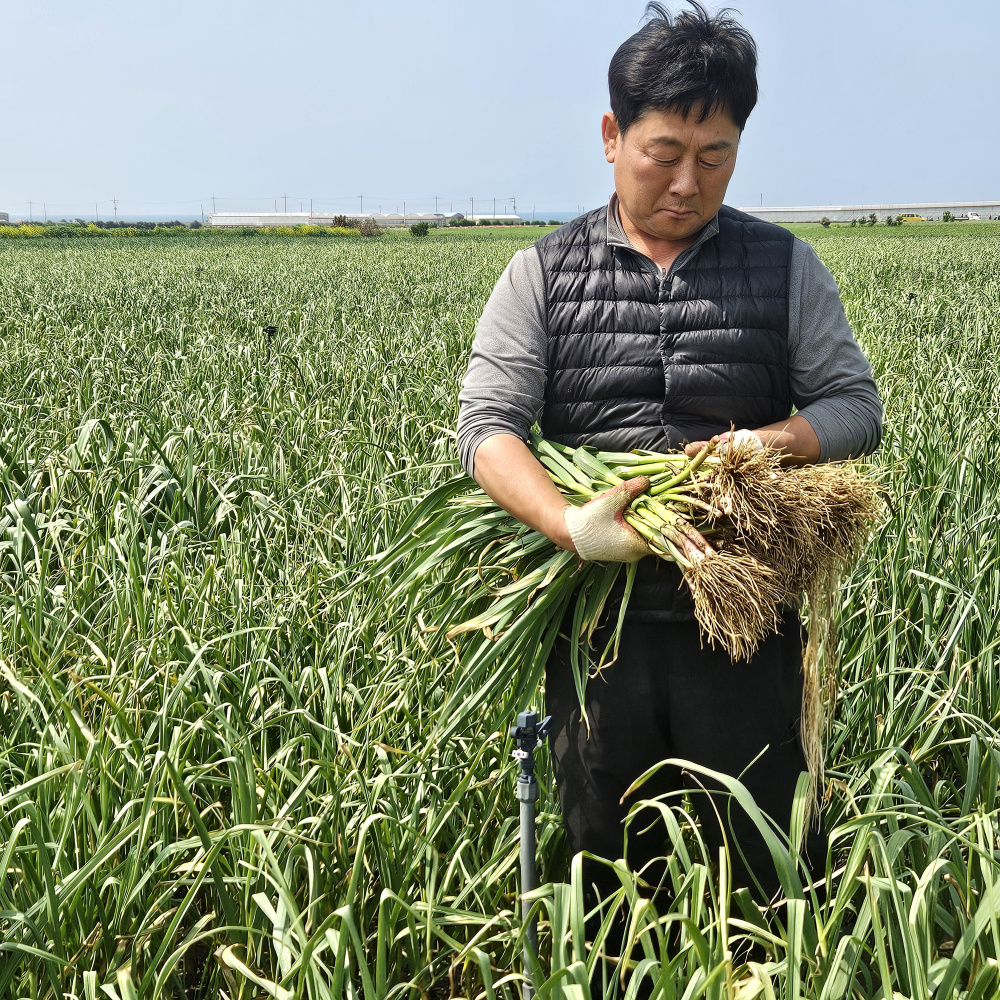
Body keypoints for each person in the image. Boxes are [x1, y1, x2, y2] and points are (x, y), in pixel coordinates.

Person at [456, 0, 882, 965]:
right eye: (664, 152)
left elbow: (855, 408)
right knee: (606, 897)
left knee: (763, 888)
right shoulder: (541, 274)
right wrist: (571, 525)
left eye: (717, 154)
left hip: (746, 634)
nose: (690, 182)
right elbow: (486, 431)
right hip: (597, 639)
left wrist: (763, 446)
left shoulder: (786, 269)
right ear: (611, 137)